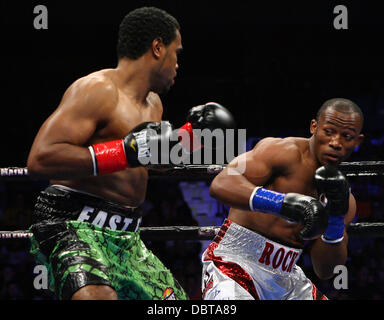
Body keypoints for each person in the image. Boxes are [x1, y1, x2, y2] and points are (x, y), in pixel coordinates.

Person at [27, 7, 234, 300]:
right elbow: (41, 158)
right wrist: (123, 152)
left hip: (127, 236)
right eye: (177, 53)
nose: (178, 64)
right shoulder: (97, 90)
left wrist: (188, 142)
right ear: (158, 48)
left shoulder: (154, 105)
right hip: (72, 224)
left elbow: (144, 160)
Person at [203, 98, 364, 300]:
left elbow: (326, 270)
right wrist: (283, 203)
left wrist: (335, 219)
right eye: (329, 132)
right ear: (314, 126)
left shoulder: (345, 201)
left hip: (286, 277)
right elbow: (222, 183)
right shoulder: (281, 152)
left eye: (347, 136)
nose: (335, 143)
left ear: (357, 141)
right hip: (235, 262)